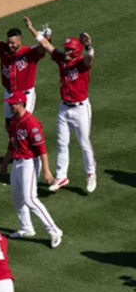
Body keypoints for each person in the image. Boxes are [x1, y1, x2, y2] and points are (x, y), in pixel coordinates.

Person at [24, 16, 97, 193]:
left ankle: (90, 173)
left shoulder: (81, 64)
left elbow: (90, 58)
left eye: (70, 50)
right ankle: (61, 176)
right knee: (61, 142)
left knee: (84, 142)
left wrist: (88, 46)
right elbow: (47, 46)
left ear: (77, 51)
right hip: (64, 107)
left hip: (80, 109)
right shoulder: (61, 58)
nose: (67, 52)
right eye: (66, 49)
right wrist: (31, 29)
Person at [0, 91, 63, 248]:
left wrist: (47, 171)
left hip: (30, 162)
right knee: (16, 197)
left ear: (20, 104)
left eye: (12, 103)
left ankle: (54, 230)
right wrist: (5, 162)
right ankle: (26, 227)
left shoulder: (31, 123)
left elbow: (41, 149)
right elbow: (12, 144)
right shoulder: (14, 122)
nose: (9, 105)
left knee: (30, 198)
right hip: (17, 161)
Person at [0, 10, 49, 125]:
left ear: (20, 41)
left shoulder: (30, 53)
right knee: (10, 126)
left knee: (23, 124)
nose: (10, 45)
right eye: (8, 42)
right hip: (9, 94)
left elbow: (45, 46)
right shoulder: (3, 49)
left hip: (25, 95)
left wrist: (35, 31)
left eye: (13, 43)